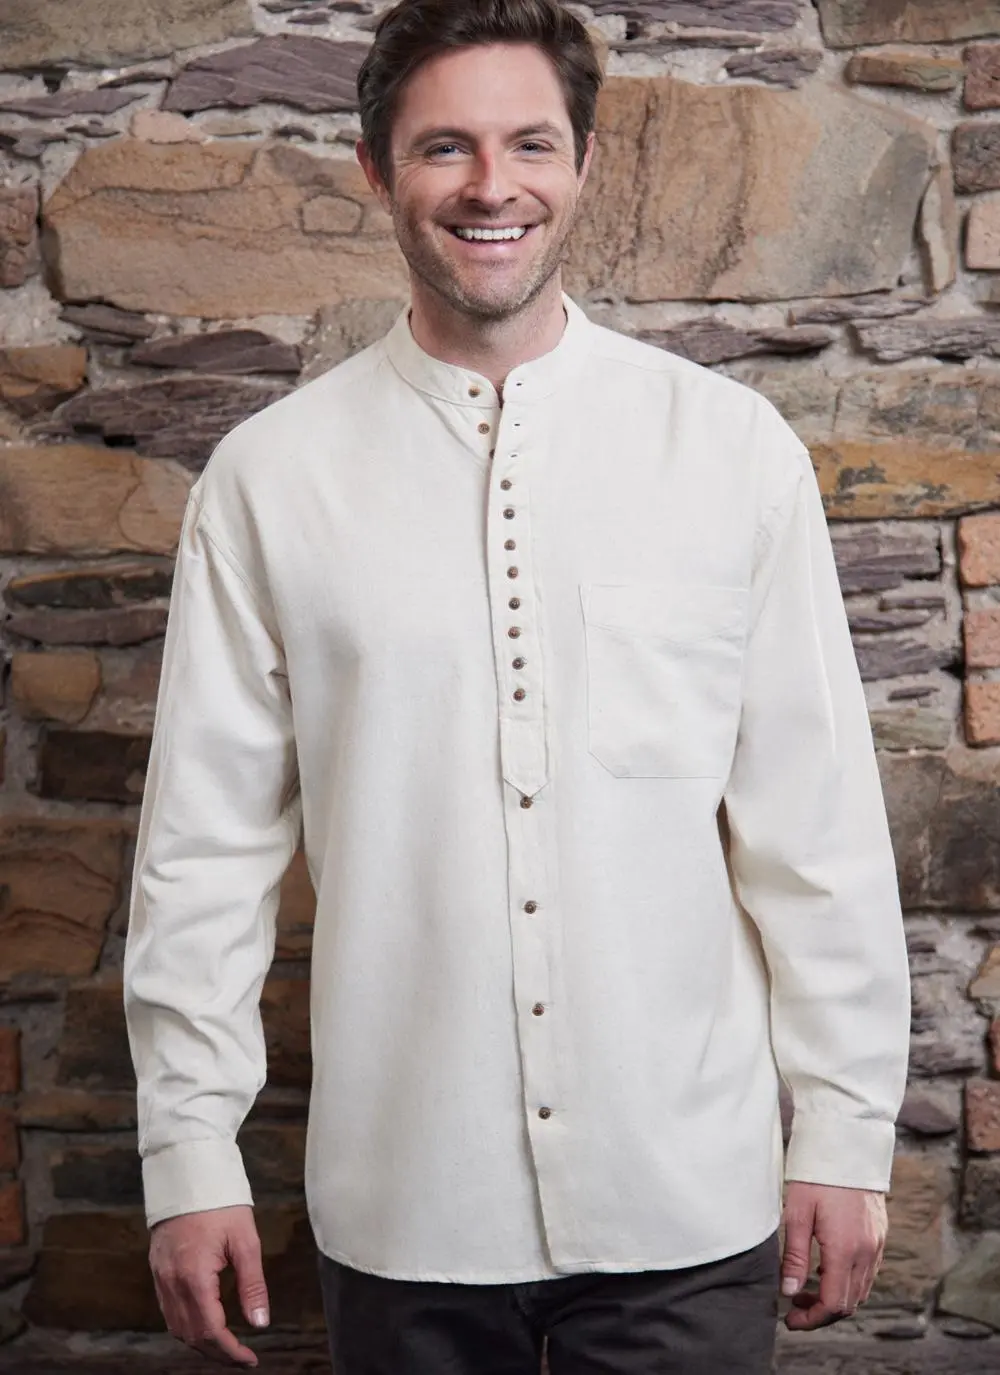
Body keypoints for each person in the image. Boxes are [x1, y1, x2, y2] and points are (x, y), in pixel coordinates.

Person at [123, 1, 912, 1370]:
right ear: (376, 170)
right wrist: (188, 1151)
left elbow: (817, 828)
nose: (494, 186)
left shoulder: (731, 453)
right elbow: (203, 850)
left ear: (584, 162)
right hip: (406, 1206)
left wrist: (844, 1130)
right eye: (446, 147)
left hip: (688, 1197)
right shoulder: (269, 480)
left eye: (531, 143)